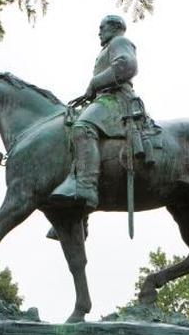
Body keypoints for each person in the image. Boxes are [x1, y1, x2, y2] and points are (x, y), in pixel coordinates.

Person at [49, 14, 137, 209]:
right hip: (104, 99)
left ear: (114, 27)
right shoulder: (107, 48)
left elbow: (126, 65)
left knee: (82, 127)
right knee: (70, 125)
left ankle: (87, 186)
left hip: (117, 99)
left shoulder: (120, 41)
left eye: (102, 27)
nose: (99, 32)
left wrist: (95, 83)